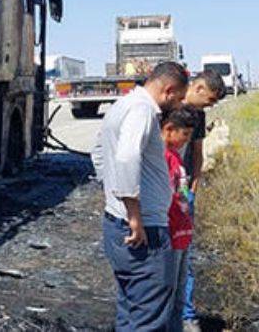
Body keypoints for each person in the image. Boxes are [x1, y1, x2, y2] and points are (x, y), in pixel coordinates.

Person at [93, 61, 189, 331]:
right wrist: (134, 215)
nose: (180, 105)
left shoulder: (122, 105)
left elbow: (98, 154)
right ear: (168, 90)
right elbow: (126, 156)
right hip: (143, 230)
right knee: (148, 316)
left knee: (132, 309)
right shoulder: (142, 110)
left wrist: (113, 196)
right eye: (179, 98)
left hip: (119, 223)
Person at [177, 70, 227, 332]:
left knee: (184, 253)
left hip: (184, 193)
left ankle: (186, 315)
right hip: (159, 193)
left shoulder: (198, 116)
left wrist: (193, 187)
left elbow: (197, 153)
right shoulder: (167, 107)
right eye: (209, 100)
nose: (211, 106)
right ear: (196, 88)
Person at [161, 107, 199, 331]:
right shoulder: (162, 157)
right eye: (184, 135)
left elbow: (181, 192)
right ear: (169, 129)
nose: (186, 141)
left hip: (182, 231)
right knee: (168, 289)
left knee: (179, 288)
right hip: (171, 232)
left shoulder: (175, 156)